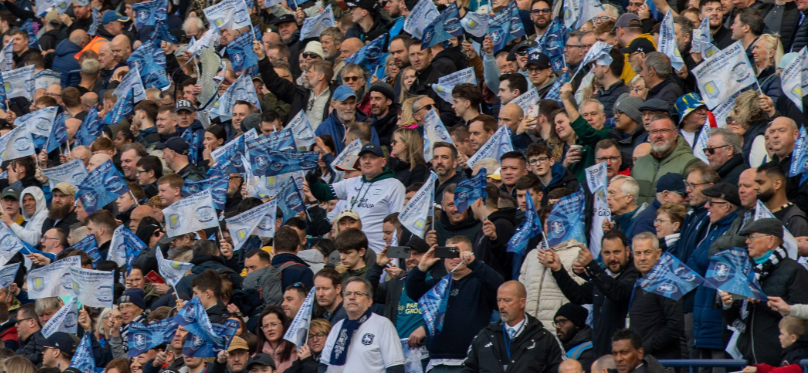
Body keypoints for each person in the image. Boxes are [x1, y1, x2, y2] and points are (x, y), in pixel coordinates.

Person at [406, 237, 504, 372]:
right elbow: (412, 291)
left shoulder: (480, 283)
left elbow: (499, 285)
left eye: (459, 253)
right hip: (437, 363)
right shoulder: (437, 284)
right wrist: (421, 267)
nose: (454, 257)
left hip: (471, 362)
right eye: (450, 253)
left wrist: (474, 263)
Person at [722, 218, 808, 365]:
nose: (747, 242)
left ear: (771, 240)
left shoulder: (794, 271)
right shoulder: (747, 272)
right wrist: (727, 304)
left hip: (779, 356)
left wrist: (762, 302)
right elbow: (734, 320)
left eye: (752, 237)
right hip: (747, 354)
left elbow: (800, 321)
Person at [544, 230, 639, 356]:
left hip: (624, 355)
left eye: (617, 252)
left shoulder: (634, 273)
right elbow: (578, 295)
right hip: (601, 352)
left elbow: (617, 293)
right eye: (607, 253)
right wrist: (558, 269)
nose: (612, 258)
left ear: (627, 251)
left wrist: (591, 266)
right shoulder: (602, 276)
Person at [307, 143, 405, 253]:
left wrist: (396, 258)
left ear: (383, 162)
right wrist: (313, 179)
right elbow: (323, 192)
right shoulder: (352, 182)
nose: (367, 161)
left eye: (372, 157)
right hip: (351, 252)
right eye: (363, 158)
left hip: (378, 253)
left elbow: (398, 225)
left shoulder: (395, 186)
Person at [461, 281, 564, 373]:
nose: (501, 306)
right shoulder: (485, 335)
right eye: (499, 300)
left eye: (507, 300)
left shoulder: (544, 337)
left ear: (522, 302)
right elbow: (469, 368)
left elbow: (559, 368)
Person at [318, 277, 405, 372]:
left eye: (358, 294)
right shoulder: (338, 327)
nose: (351, 297)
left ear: (369, 301)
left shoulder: (383, 325)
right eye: (347, 294)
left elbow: (395, 366)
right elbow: (324, 364)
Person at [628, 232, 685, 359]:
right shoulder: (638, 282)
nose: (642, 258)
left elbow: (676, 326)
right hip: (643, 358)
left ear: (658, 253)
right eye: (638, 253)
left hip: (662, 362)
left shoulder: (666, 282)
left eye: (647, 252)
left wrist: (645, 348)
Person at [632, 115, 703, 204]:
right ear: (649, 136)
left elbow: (695, 202)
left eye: (663, 130)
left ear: (675, 134)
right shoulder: (640, 163)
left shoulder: (691, 163)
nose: (658, 135)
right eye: (654, 131)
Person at [253, 306, 297, 372]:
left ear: (283, 325)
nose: (270, 329)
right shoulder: (255, 356)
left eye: (274, 324)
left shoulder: (295, 352)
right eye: (265, 326)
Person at [554, 303, 595, 370]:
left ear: (577, 324)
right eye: (556, 322)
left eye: (563, 321)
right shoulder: (559, 346)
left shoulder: (588, 351)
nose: (557, 326)